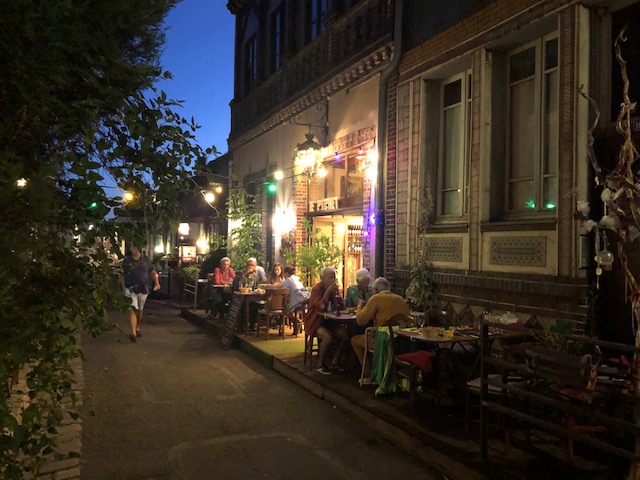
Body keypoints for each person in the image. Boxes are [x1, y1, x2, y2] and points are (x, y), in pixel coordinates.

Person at [351, 277, 411, 383]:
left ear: (376, 290)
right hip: (401, 341)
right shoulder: (400, 299)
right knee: (370, 334)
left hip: (383, 341)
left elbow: (361, 320)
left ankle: (368, 374)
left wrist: (359, 306)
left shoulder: (376, 298)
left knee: (355, 340)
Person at [304, 267, 349, 375]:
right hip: (316, 321)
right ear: (322, 278)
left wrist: (339, 298)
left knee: (345, 335)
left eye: (334, 277)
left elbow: (340, 305)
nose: (333, 280)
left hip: (330, 321)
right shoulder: (316, 289)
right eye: (330, 277)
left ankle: (335, 361)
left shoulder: (334, 289)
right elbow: (320, 307)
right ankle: (320, 364)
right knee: (327, 337)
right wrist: (327, 292)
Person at [119, 243, 161, 343]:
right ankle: (133, 332)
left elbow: (152, 272)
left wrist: (157, 282)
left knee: (140, 310)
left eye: (135, 247)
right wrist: (124, 287)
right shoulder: (127, 261)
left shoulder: (145, 260)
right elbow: (122, 274)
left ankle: (137, 327)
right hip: (131, 288)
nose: (133, 249)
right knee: (133, 309)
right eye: (132, 247)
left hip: (143, 289)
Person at [272, 265, 310, 335]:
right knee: (287, 308)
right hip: (304, 298)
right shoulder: (296, 278)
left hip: (297, 299)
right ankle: (297, 323)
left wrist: (270, 286)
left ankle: (297, 323)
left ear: (286, 273)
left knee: (285, 309)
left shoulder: (289, 280)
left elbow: (280, 286)